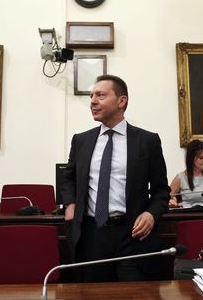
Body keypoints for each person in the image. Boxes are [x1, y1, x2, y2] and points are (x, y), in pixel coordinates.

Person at [61, 74, 170, 282]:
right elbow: (68, 178)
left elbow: (161, 190)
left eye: (100, 95)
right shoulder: (81, 141)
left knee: (135, 295)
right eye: (91, 95)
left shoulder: (147, 141)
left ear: (122, 101)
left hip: (132, 236)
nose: (92, 101)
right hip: (91, 235)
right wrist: (70, 204)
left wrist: (151, 214)